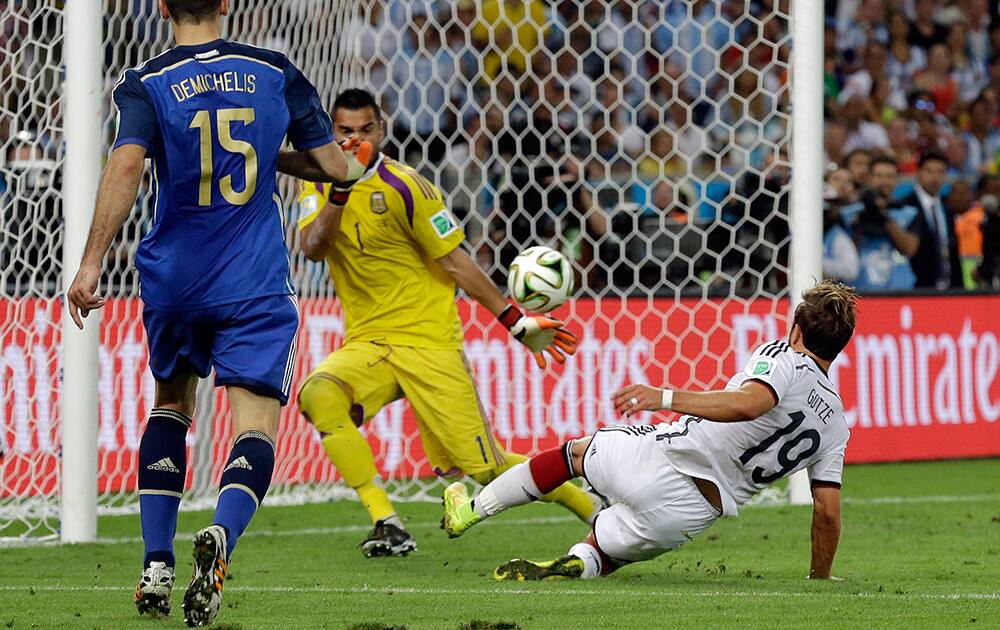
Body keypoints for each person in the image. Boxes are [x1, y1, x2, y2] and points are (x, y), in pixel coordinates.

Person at [65, 1, 367, 625]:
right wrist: (269, 158)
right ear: (227, 3)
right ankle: (222, 538)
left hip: (174, 280)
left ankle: (155, 563)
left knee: (172, 406)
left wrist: (91, 263)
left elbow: (126, 163)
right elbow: (340, 167)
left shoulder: (145, 81)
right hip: (252, 283)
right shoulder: (275, 71)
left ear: (162, 6)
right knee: (254, 430)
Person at [294, 89, 597, 558]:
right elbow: (313, 247)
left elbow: (457, 263)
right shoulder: (314, 185)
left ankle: (592, 508)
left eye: (365, 130)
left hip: (428, 341)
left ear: (382, 130)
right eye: (345, 132)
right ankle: (387, 522)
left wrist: (516, 324)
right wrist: (340, 187)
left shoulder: (407, 186)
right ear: (331, 134)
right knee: (319, 394)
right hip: (369, 342)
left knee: (487, 469)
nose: (355, 141)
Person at [443, 281, 858, 582]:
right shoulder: (836, 423)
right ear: (839, 347)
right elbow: (826, 512)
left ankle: (472, 511)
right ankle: (578, 563)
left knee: (573, 455)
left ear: (797, 332)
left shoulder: (783, 356)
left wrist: (663, 396)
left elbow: (750, 403)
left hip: (664, 460)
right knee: (609, 552)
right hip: (692, 514)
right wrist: (819, 577)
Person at [893, 151, 962, 288]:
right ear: (919, 173)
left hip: (948, 288)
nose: (935, 177)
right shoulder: (905, 205)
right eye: (929, 171)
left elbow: (952, 249)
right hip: (917, 287)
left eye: (940, 172)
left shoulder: (947, 207)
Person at [850, 155, 921, 291]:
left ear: (897, 180)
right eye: (879, 176)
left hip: (899, 290)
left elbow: (909, 249)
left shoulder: (909, 212)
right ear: (869, 179)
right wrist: (864, 217)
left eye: (890, 177)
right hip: (858, 289)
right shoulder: (852, 212)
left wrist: (884, 217)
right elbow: (847, 250)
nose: (884, 181)